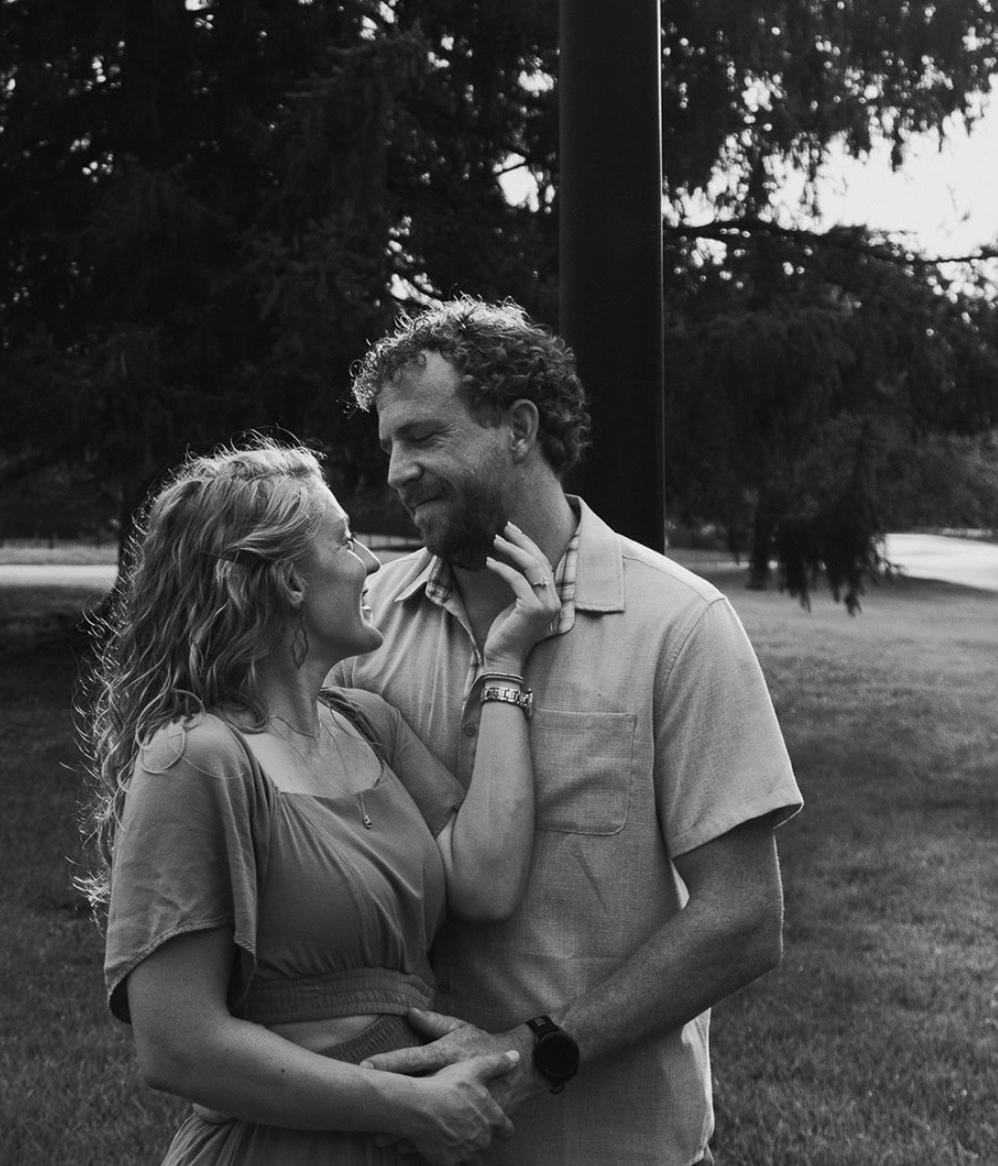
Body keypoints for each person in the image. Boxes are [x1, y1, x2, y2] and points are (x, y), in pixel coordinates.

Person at [331, 297, 804, 1166]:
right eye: (389, 445)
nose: (397, 471)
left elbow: (743, 917)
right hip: (396, 1144)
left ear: (519, 428)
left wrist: (530, 1054)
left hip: (610, 1147)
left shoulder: (680, 625)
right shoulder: (363, 622)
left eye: (424, 437)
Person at [78, 438, 561, 1166]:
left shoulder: (369, 725)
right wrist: (408, 1103)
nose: (370, 562)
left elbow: (488, 882)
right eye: (345, 539)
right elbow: (175, 1045)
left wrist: (505, 662)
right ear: (290, 583)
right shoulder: (197, 758)